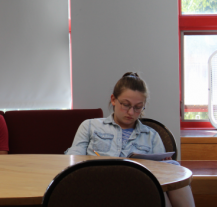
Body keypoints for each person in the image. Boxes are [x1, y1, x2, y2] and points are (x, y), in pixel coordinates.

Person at [65, 72, 195, 207]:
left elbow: (161, 180)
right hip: (99, 186)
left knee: (174, 170)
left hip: (139, 189)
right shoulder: (90, 126)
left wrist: (165, 166)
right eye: (126, 105)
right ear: (113, 100)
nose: (131, 113)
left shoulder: (152, 136)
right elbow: (70, 163)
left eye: (138, 107)